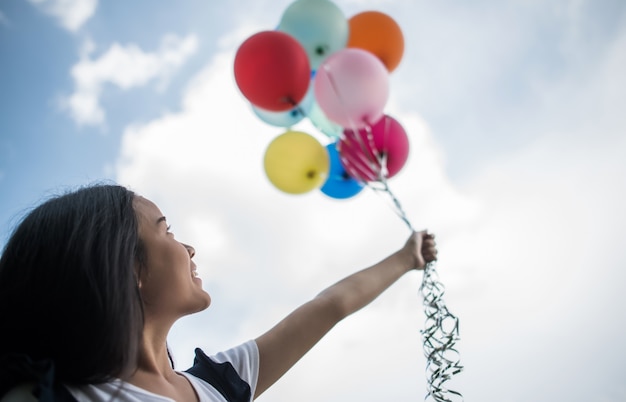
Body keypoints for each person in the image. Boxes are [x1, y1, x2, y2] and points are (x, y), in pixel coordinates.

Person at [0, 183, 437, 402]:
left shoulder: (218, 386)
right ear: (128, 267)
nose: (189, 248)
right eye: (166, 231)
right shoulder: (51, 395)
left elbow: (331, 306)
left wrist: (405, 259)